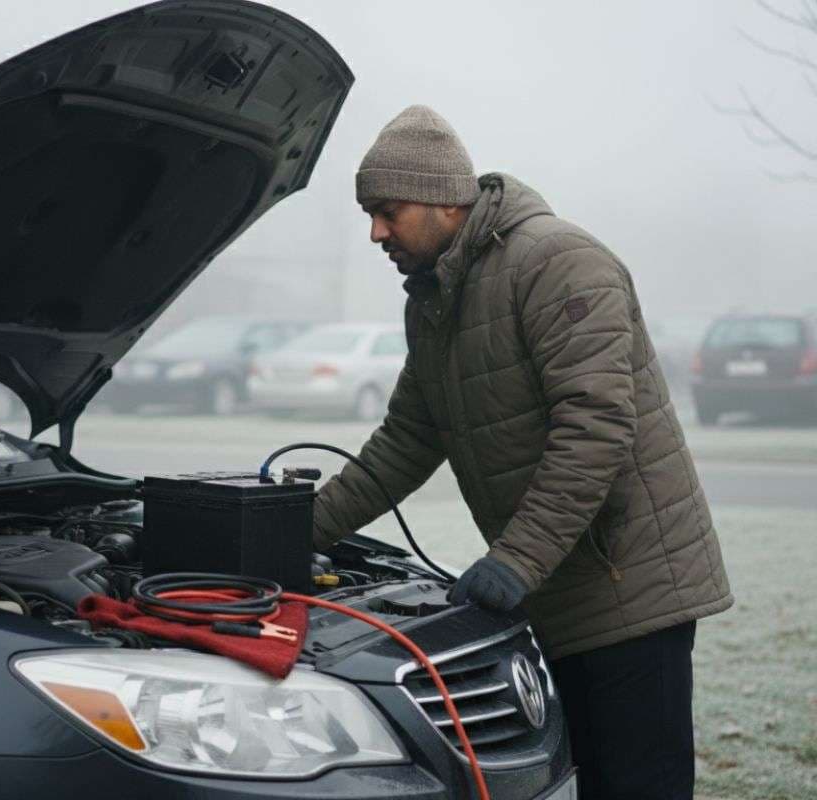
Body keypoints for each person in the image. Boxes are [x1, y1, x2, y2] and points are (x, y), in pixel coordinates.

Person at [314, 105, 733, 800]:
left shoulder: (557, 262)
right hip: (555, 587)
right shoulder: (435, 301)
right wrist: (293, 527)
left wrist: (515, 560)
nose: (375, 232)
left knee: (637, 786)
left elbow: (595, 426)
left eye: (388, 210)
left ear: (445, 199)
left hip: (628, 584)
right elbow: (404, 444)